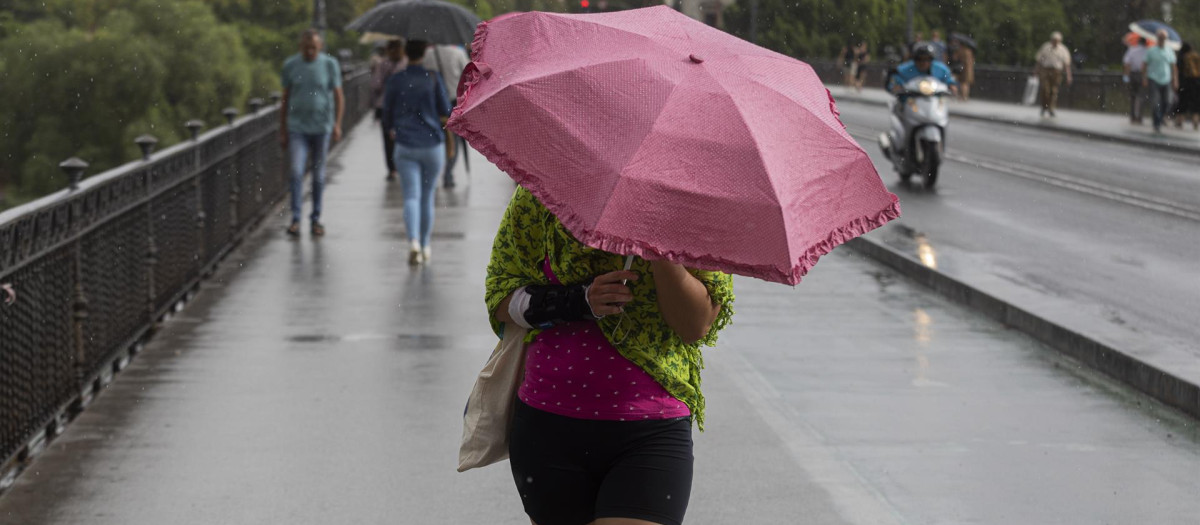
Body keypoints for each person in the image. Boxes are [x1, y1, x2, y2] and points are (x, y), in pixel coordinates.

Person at [486, 185, 734, 525]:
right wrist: (578, 300)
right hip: (549, 427)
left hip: (652, 430)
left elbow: (695, 325)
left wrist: (659, 249)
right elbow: (500, 295)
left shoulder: (694, 208)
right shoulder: (542, 192)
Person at [382, 40, 452, 265]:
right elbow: (445, 109)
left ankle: (412, 241)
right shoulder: (432, 77)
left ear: (405, 53)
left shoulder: (396, 80)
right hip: (432, 144)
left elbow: (386, 115)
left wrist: (393, 130)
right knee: (427, 195)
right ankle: (425, 245)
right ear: (424, 52)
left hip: (405, 144)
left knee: (411, 195)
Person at [280, 29, 344, 237]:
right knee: (297, 172)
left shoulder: (329, 64)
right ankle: (296, 219)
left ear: (320, 47)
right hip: (297, 127)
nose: (310, 51)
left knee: (318, 176)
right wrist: (282, 129)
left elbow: (339, 96)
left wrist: (337, 124)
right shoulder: (291, 65)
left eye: (314, 48)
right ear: (301, 47)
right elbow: (285, 99)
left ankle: (316, 219)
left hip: (321, 128)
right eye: (307, 48)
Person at [422, 44, 470, 188]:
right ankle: (448, 174)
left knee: (434, 138)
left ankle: (432, 173)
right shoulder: (459, 53)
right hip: (455, 101)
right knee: (453, 141)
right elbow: (469, 75)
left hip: (433, 103)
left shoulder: (428, 54)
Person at [372, 40, 407, 182]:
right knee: (403, 136)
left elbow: (376, 84)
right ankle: (402, 164)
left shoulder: (383, 64)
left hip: (385, 105)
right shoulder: (406, 62)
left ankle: (392, 169)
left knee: (387, 138)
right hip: (403, 105)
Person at [888, 44, 958, 96]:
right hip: (911, 100)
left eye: (927, 59)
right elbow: (896, 78)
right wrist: (897, 86)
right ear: (915, 60)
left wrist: (951, 85)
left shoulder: (941, 69)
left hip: (934, 100)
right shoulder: (906, 69)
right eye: (920, 59)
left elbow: (948, 78)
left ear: (932, 60)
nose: (923, 62)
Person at [1143, 29, 1178, 133]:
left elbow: (1173, 66)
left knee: (1167, 101)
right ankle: (1156, 123)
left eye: (1164, 38)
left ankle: (1161, 117)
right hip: (1153, 78)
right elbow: (1144, 65)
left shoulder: (1169, 51)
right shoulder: (1151, 50)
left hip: (1166, 79)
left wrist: (1175, 79)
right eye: (1160, 37)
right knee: (1155, 102)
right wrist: (1144, 78)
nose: (1162, 40)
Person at [1034, 31, 1072, 117]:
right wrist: (1036, 71)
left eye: (1057, 40)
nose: (1055, 42)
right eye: (1054, 40)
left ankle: (1051, 108)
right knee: (1045, 89)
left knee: (1054, 91)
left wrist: (1069, 76)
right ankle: (1044, 107)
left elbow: (1066, 64)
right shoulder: (1046, 47)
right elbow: (1039, 60)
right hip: (1046, 70)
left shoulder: (1063, 49)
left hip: (1057, 72)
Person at [1172, 42, 1200, 130]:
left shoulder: (1181, 57)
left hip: (1184, 83)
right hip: (1196, 83)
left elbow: (1177, 71)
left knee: (1182, 102)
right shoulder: (1196, 56)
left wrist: (1176, 82)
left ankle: (1179, 121)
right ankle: (1195, 121)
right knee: (1196, 103)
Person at [1124, 38, 1149, 124]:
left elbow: (1127, 63)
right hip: (1142, 75)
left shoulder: (1132, 50)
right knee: (1141, 97)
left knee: (1133, 97)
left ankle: (1133, 116)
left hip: (1133, 74)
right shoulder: (1147, 51)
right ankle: (1140, 116)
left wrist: (1126, 76)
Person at [949, 36, 975, 101]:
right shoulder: (969, 51)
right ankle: (965, 96)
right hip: (969, 69)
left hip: (962, 68)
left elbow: (955, 58)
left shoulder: (959, 51)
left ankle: (962, 96)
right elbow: (972, 60)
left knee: (962, 83)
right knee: (966, 83)